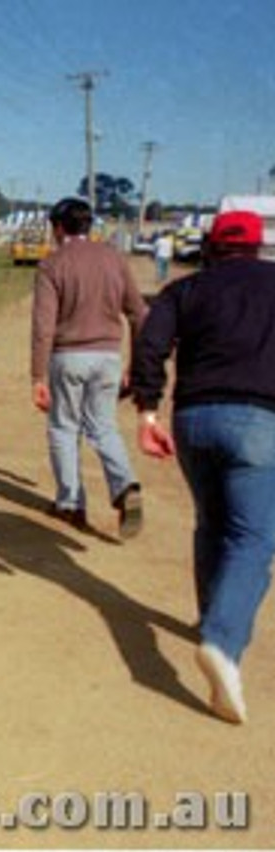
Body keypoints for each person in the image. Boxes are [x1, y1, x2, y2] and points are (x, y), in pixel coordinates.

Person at [129, 210, 275, 725]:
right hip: (261, 420)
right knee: (254, 538)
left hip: (193, 419)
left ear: (212, 244)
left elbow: (150, 343)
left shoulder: (185, 290)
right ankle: (222, 640)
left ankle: (210, 617)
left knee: (212, 525)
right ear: (258, 246)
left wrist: (147, 409)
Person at [30, 197, 146, 537]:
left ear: (59, 227)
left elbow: (43, 326)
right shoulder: (114, 258)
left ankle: (70, 502)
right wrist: (136, 364)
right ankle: (125, 486)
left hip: (68, 356)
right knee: (103, 428)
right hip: (108, 355)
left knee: (64, 428)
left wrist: (37, 375)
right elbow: (139, 313)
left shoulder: (52, 265)